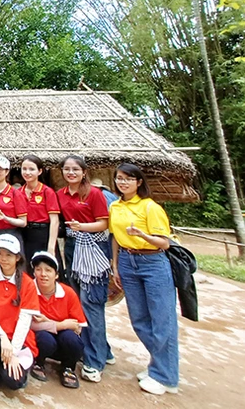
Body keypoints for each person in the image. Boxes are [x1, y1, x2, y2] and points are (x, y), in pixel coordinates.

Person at [110, 163, 179, 396]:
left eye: (128, 179)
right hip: (127, 261)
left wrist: (142, 235)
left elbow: (164, 243)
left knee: (162, 319)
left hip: (152, 262)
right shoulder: (115, 206)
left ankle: (166, 376)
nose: (123, 182)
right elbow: (116, 237)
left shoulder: (150, 207)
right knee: (139, 318)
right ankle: (159, 365)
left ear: (139, 182)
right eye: (120, 178)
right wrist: (115, 265)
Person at [57, 154, 112, 383]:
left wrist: (83, 227)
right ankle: (102, 351)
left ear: (84, 172)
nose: (71, 173)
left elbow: (104, 223)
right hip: (72, 247)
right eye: (67, 169)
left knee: (92, 303)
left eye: (75, 169)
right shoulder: (61, 194)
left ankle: (94, 360)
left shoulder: (94, 194)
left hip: (93, 246)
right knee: (79, 302)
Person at [0, 234, 39, 391]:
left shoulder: (27, 283)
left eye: (9, 255)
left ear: (17, 257)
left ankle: (5, 366)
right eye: (0, 253)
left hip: (19, 340)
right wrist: (3, 337)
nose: (3, 258)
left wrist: (13, 351)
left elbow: (25, 321)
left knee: (14, 382)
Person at [30, 251, 86, 389]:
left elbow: (77, 327)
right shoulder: (29, 290)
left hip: (62, 340)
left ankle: (68, 367)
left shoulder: (68, 293)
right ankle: (39, 362)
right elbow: (30, 325)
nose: (43, 274)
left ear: (56, 274)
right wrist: (61, 324)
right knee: (44, 338)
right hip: (41, 339)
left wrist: (47, 322)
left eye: (48, 270)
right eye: (38, 269)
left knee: (72, 340)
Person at [18, 155, 60, 266]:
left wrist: (51, 247)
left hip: (43, 235)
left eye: (32, 169)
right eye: (24, 169)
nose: (27, 172)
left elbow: (54, 221)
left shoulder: (47, 192)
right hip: (25, 235)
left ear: (40, 171)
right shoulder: (18, 192)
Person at [0, 155, 27, 245]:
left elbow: (23, 222)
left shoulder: (15, 193)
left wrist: (5, 218)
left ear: (7, 171)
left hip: (10, 235)